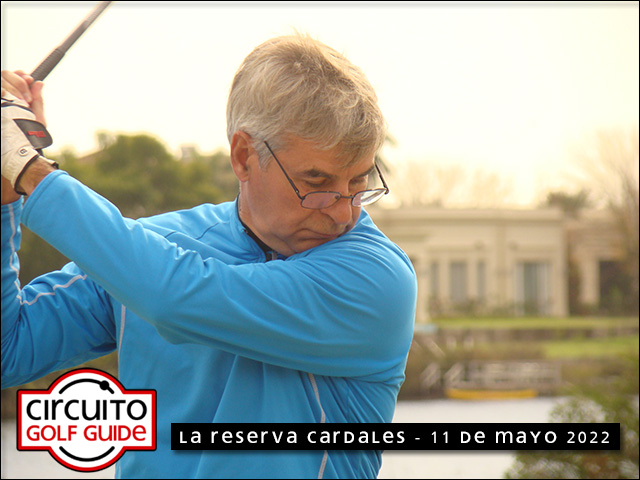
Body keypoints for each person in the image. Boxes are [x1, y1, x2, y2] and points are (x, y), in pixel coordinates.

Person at [1, 34, 417, 478]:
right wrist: (6, 194)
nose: (342, 213)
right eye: (316, 183)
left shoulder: (377, 279)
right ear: (243, 156)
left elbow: (175, 298)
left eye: (358, 182)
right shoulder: (146, 251)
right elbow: (10, 351)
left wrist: (25, 164)